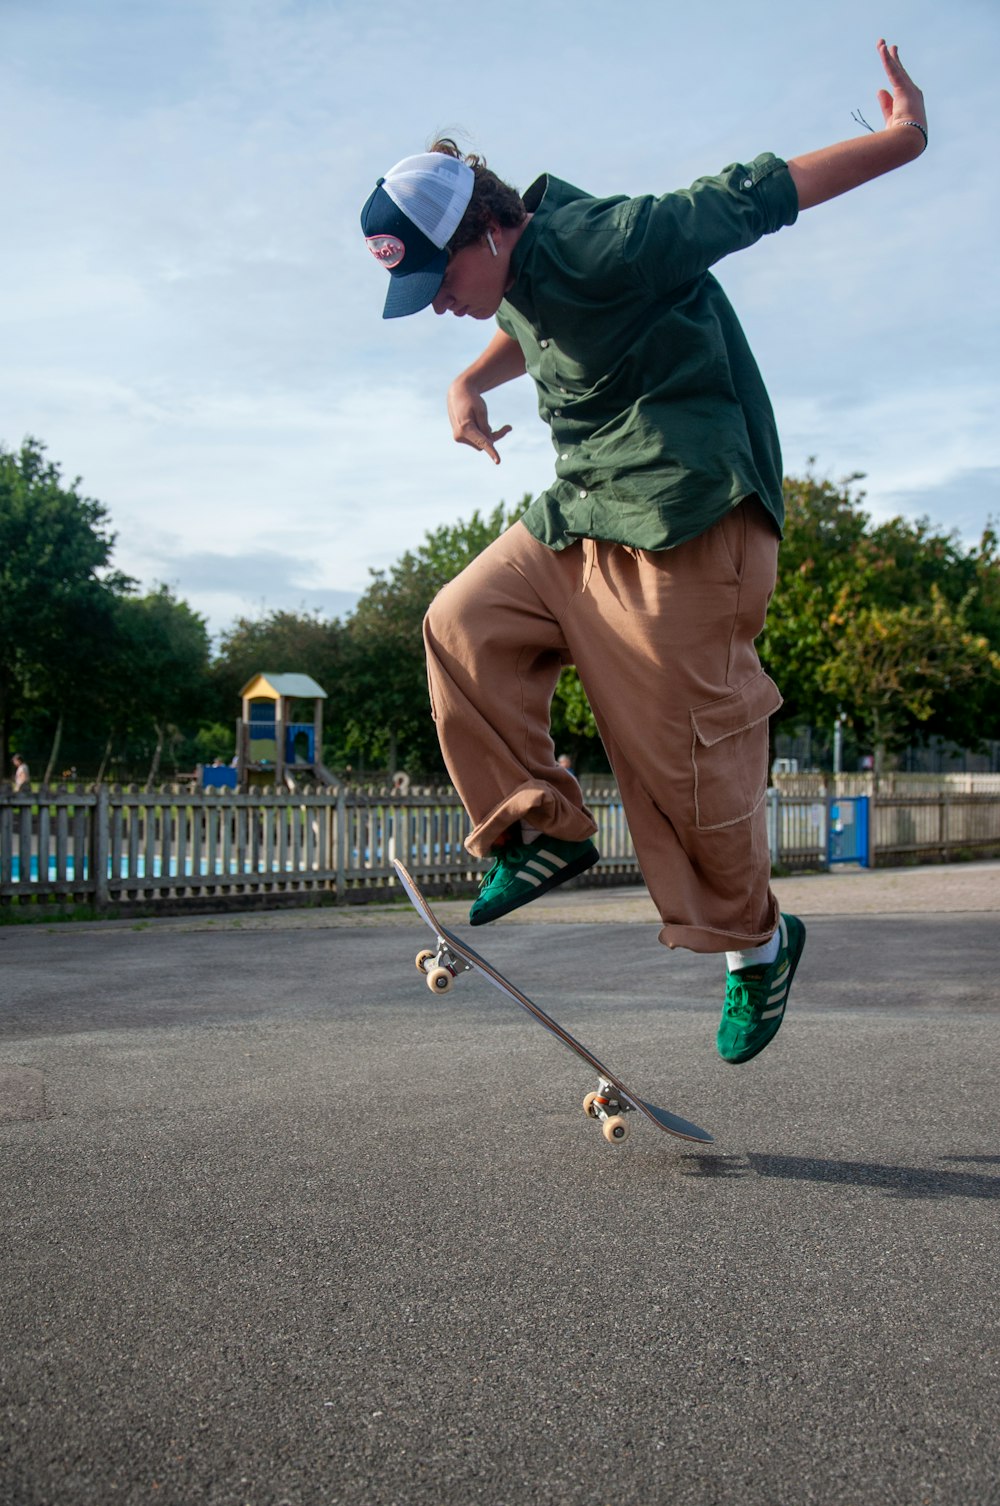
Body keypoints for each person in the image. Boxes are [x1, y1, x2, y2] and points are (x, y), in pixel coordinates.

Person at [360, 40, 926, 1065]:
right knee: (459, 624)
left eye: (444, 279)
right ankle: (545, 830)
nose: (440, 301)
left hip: (689, 515)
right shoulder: (514, 274)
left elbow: (757, 196)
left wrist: (901, 138)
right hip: (584, 514)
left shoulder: (611, 239)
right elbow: (527, 330)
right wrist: (467, 387)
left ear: (493, 225)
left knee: (683, 763)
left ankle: (757, 949)